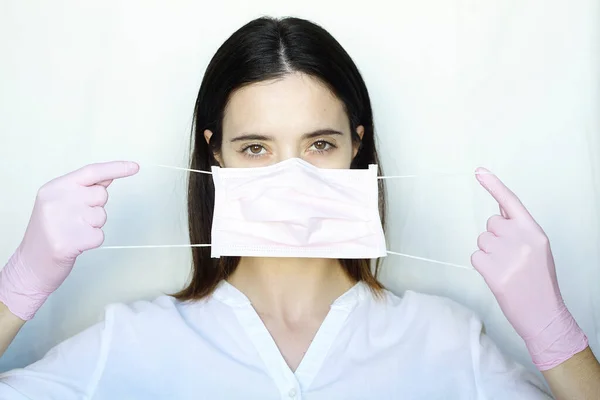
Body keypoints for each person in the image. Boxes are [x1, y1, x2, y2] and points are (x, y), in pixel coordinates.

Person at [0, 16, 598, 400]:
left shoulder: (446, 340)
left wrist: (555, 334)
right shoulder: (129, 341)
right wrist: (18, 286)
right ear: (215, 155)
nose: (291, 177)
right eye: (256, 148)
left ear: (357, 145)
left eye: (319, 144)